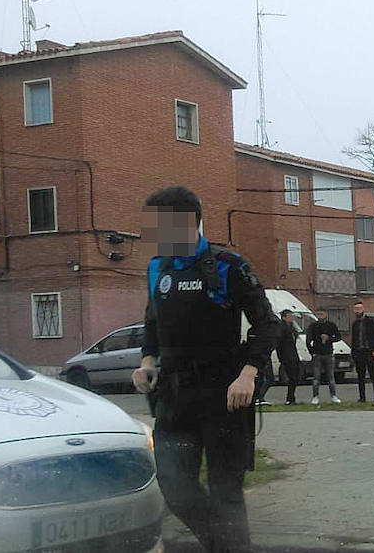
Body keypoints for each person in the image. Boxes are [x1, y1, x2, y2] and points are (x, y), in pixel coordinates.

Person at [132, 186, 280, 553]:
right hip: (174, 397)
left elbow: (268, 323)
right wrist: (147, 363)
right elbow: (152, 324)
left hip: (222, 395)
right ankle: (225, 546)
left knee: (226, 490)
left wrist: (248, 373)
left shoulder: (227, 265)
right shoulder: (158, 267)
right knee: (174, 486)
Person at [305, 308, 342, 405]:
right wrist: (312, 352)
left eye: (321, 314)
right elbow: (308, 340)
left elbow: (338, 337)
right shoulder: (313, 326)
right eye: (318, 314)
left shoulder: (331, 325)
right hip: (317, 354)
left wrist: (329, 339)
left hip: (328, 353)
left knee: (330, 376)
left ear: (326, 314)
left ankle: (333, 396)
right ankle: (315, 396)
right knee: (316, 377)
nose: (320, 316)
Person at [350, 300, 374, 406]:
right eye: (355, 309)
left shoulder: (371, 321)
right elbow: (354, 339)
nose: (357, 311)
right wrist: (353, 353)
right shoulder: (355, 324)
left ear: (363, 309)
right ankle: (362, 397)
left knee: (373, 375)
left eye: (359, 309)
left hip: (369, 351)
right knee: (360, 376)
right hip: (359, 352)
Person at [277, 309, 302, 405]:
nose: (292, 317)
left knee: (295, 377)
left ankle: (292, 398)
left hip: (294, 354)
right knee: (292, 377)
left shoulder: (292, 328)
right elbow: (279, 345)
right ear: (284, 317)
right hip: (286, 356)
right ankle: (289, 398)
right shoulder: (281, 328)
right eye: (289, 316)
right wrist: (281, 358)